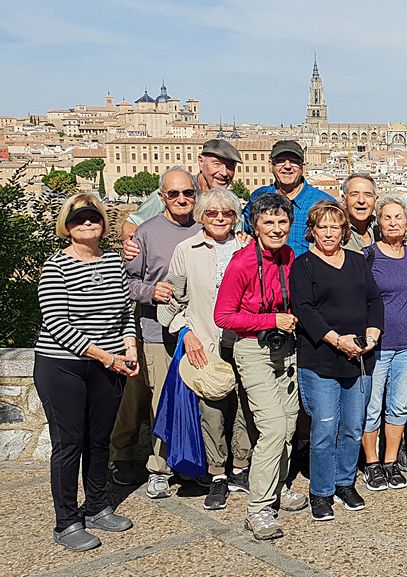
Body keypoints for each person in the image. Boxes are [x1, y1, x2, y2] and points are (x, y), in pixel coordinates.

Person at [34, 194, 138, 551]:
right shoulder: (56, 267)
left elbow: (125, 313)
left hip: (108, 365)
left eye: (93, 217)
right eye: (79, 219)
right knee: (69, 444)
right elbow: (57, 324)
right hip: (64, 366)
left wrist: (130, 348)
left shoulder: (113, 263)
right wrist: (106, 358)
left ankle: (96, 506)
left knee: (99, 440)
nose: (88, 223)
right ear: (67, 225)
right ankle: (65, 522)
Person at [214, 194, 307, 540]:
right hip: (253, 348)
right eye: (268, 222)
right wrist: (271, 319)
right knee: (273, 426)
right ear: (254, 226)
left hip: (284, 348)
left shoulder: (288, 256)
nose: (277, 228)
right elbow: (223, 316)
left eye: (282, 222)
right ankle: (258, 509)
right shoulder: (241, 263)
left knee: (288, 424)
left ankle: (278, 488)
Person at [160, 188, 253, 510]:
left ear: (235, 217)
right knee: (211, 413)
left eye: (226, 213)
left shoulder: (248, 248)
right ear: (201, 216)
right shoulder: (186, 250)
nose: (219, 219)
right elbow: (171, 302)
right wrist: (185, 332)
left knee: (244, 406)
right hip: (206, 342)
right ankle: (217, 474)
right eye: (212, 213)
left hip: (243, 342)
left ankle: (241, 468)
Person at [290, 201, 384, 521]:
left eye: (335, 227)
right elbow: (304, 310)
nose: (329, 233)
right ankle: (321, 490)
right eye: (322, 227)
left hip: (359, 357)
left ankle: (345, 482)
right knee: (325, 427)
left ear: (344, 231)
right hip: (321, 359)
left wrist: (371, 337)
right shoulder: (303, 265)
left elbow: (374, 301)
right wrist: (337, 340)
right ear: (312, 231)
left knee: (353, 426)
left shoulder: (358, 261)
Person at [115, 167, 203, 499]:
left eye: (188, 193)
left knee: (194, 400)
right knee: (159, 402)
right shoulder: (147, 233)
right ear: (161, 197)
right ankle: (158, 468)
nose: (182, 199)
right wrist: (150, 292)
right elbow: (127, 283)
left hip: (198, 332)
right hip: (155, 331)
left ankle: (190, 464)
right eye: (174, 194)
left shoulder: (205, 228)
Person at [360, 195, 407, 491]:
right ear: (378, 222)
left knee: (398, 407)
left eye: (398, 217)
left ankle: (390, 461)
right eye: (387, 217)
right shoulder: (368, 256)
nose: (393, 222)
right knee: (371, 407)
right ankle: (371, 463)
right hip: (378, 345)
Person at [122, 139, 242, 241]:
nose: (224, 173)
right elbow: (131, 225)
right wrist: (133, 246)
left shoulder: (232, 201)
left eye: (230, 166)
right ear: (201, 162)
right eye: (217, 164)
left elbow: (237, 237)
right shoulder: (174, 191)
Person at [243, 140, 334, 256]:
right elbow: (245, 231)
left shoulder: (323, 202)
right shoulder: (258, 197)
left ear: (303, 168)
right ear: (270, 165)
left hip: (308, 273)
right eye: (280, 161)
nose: (287, 166)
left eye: (294, 162)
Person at [341, 173, 379, 252]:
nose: (361, 200)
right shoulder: (332, 230)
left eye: (368, 195)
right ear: (344, 200)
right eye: (354, 194)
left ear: (375, 200)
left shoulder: (383, 227)